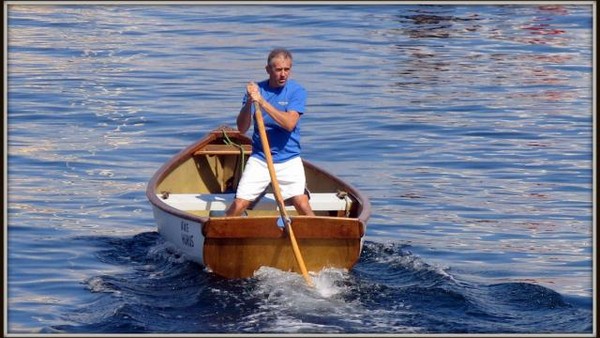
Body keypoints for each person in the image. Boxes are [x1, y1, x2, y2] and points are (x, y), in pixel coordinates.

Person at [225, 48, 314, 217]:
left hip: (289, 159)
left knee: (301, 202)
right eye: (278, 70)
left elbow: (289, 123)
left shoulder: (297, 91)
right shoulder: (257, 90)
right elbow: (242, 128)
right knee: (239, 204)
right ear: (268, 70)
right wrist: (250, 102)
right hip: (261, 159)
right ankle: (219, 236)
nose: (283, 74)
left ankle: (321, 238)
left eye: (286, 69)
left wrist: (263, 103)